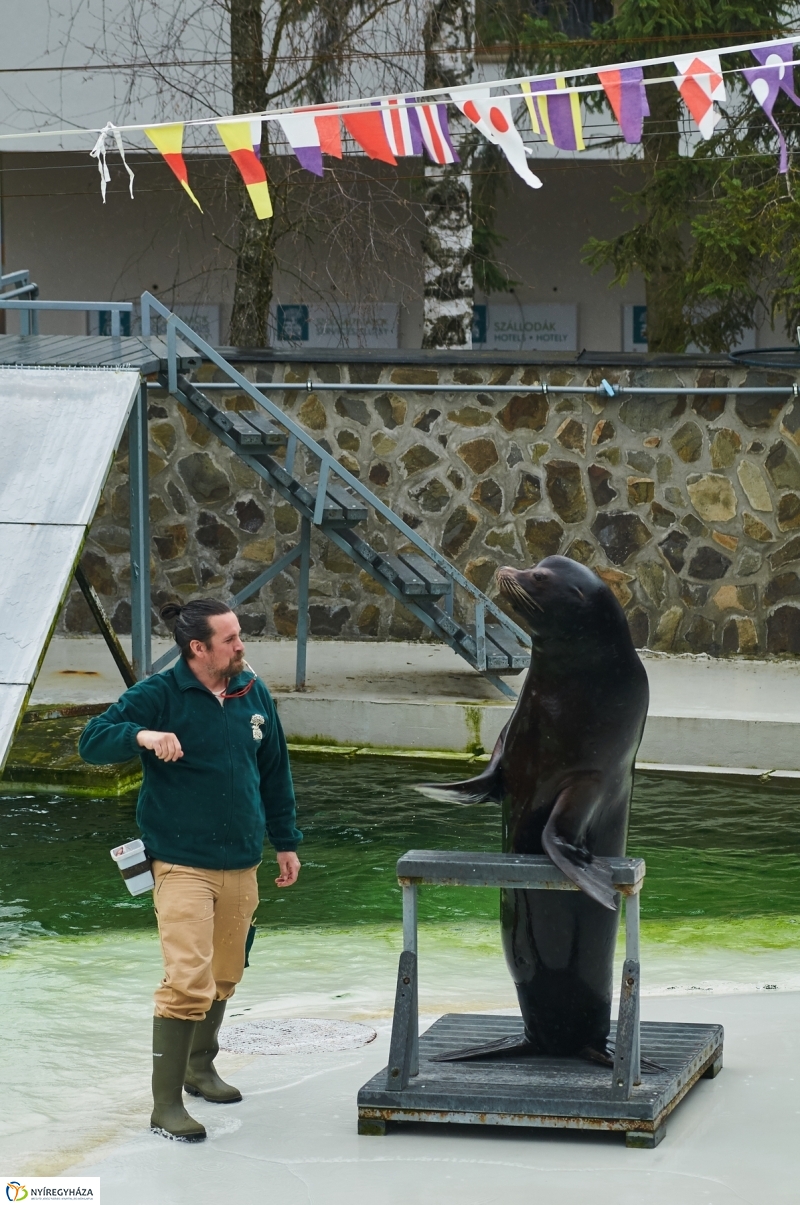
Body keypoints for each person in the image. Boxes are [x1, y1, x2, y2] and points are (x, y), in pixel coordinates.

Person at [79, 599, 302, 1142]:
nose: (241, 645)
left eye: (239, 635)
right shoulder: (159, 694)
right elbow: (91, 741)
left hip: (243, 862)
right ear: (197, 648)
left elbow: (274, 769)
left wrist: (286, 843)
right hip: (180, 864)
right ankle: (165, 1104)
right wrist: (142, 736)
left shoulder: (253, 692)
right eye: (229, 639)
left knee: (225, 975)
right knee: (186, 982)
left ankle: (201, 1069)